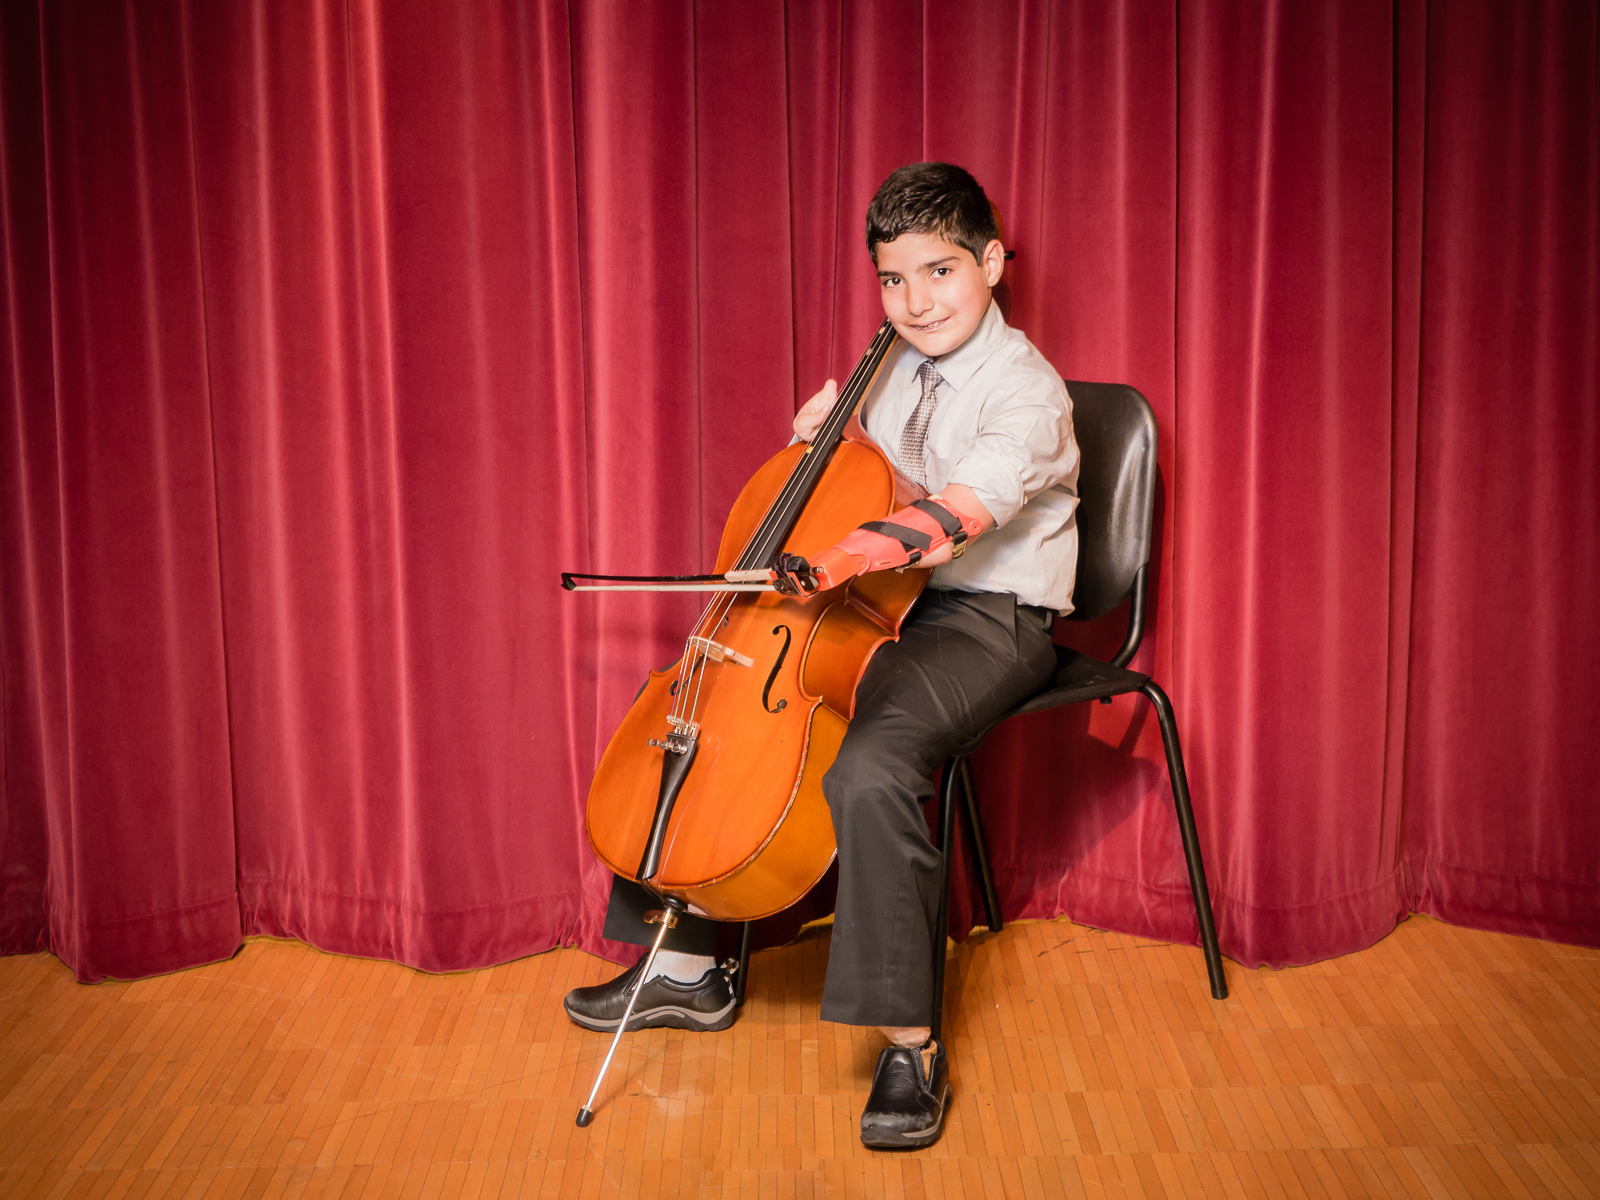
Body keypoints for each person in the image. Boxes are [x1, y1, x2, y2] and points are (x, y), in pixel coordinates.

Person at [564, 161, 1080, 1149]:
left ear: (993, 261)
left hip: (982, 618)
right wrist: (820, 448)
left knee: (876, 763)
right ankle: (688, 967)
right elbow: (854, 490)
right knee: (699, 704)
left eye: (940, 273)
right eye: (893, 280)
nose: (915, 302)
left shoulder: (1030, 395)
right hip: (872, 606)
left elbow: (961, 513)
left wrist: (837, 556)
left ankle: (910, 1041)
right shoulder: (886, 367)